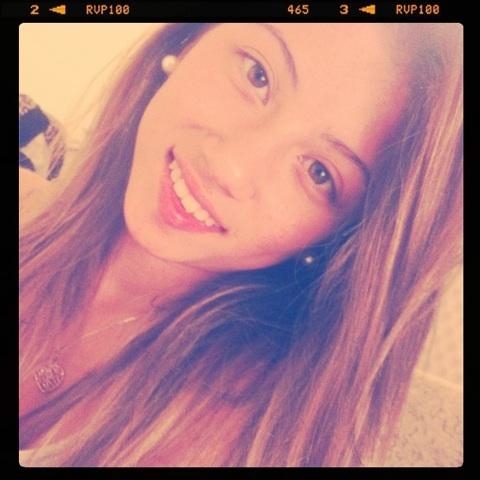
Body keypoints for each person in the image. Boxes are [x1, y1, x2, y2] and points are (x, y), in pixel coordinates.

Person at [19, 23, 463, 467]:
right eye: (258, 75)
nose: (231, 167)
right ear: (191, 38)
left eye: (318, 172)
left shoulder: (246, 436)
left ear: (339, 239)